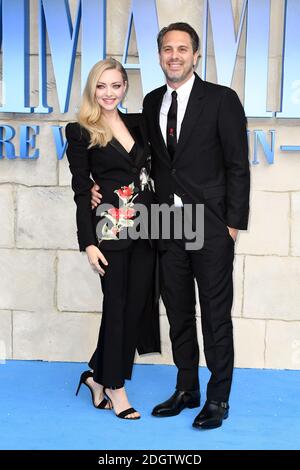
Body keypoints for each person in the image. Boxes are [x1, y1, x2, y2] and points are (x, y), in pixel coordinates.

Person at [91, 23, 250, 429]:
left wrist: (232, 225)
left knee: (216, 314)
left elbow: (237, 165)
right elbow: (130, 153)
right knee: (178, 310)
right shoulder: (152, 100)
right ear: (159, 56)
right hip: (166, 223)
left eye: (182, 49)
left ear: (196, 55)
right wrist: (96, 186)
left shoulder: (221, 99)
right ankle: (187, 388)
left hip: (209, 225)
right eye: (167, 49)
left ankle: (217, 398)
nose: (174, 55)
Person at [66, 58, 160, 420]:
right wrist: (88, 242)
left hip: (148, 226)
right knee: (116, 306)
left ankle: (95, 375)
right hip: (109, 230)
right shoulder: (80, 131)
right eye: (101, 86)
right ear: (93, 88)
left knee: (134, 307)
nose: (108, 93)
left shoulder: (138, 123)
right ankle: (116, 387)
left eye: (115, 85)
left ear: (125, 87)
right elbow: (80, 191)